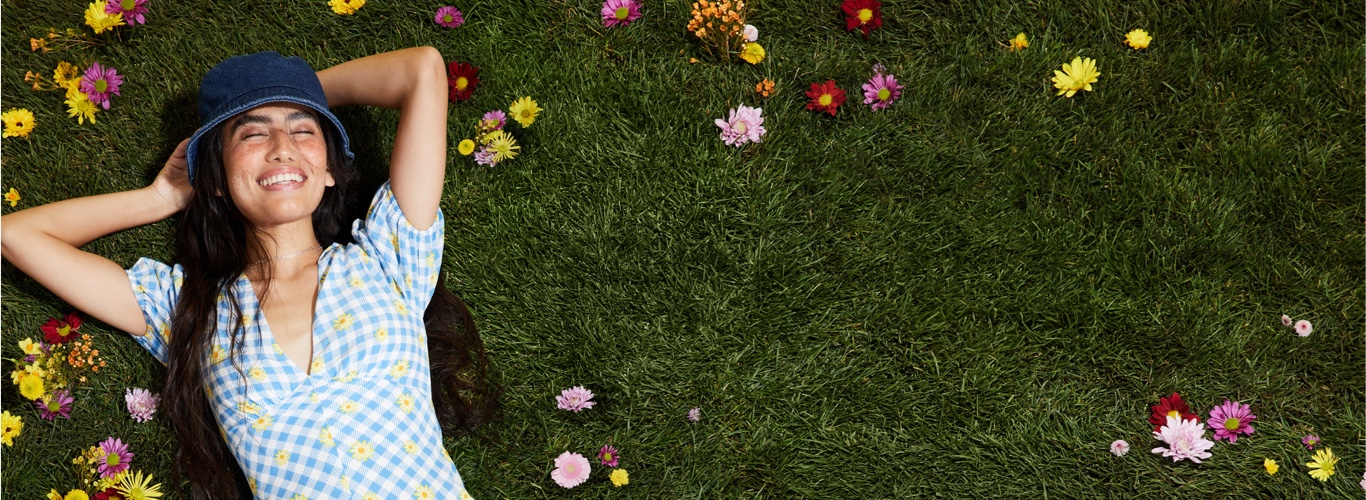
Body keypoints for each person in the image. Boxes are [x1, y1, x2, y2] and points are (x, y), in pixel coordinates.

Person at [1, 47, 497, 499]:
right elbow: (15, 236)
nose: (283, 146)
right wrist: (155, 199)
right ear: (215, 179)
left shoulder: (389, 258)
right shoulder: (189, 309)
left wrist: (293, 88)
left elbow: (423, 70)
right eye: (253, 132)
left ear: (328, 169)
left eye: (304, 130)